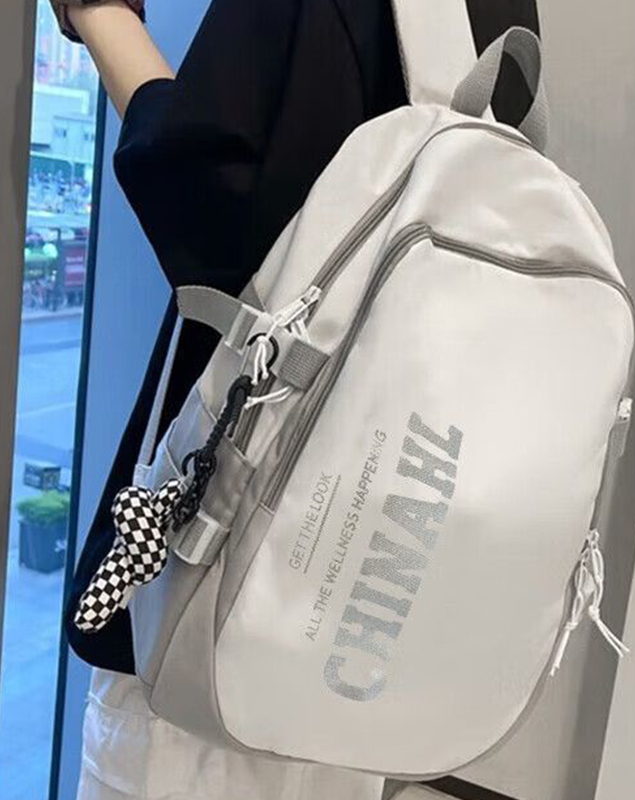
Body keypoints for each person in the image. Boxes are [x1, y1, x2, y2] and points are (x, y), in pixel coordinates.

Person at [54, 1, 539, 798]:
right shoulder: (496, 18)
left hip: (214, 605)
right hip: (367, 602)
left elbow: (216, 204)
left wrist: (99, 13)